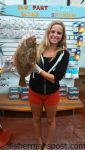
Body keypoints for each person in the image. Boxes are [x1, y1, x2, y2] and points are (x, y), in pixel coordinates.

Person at [29, 20, 69, 150]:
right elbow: (25, 63)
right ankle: (39, 141)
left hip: (52, 93)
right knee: (36, 118)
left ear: (62, 36)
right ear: (48, 32)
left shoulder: (64, 54)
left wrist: (38, 70)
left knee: (51, 120)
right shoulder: (37, 48)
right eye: (53, 31)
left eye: (59, 33)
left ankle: (48, 144)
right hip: (34, 91)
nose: (55, 35)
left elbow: (55, 78)